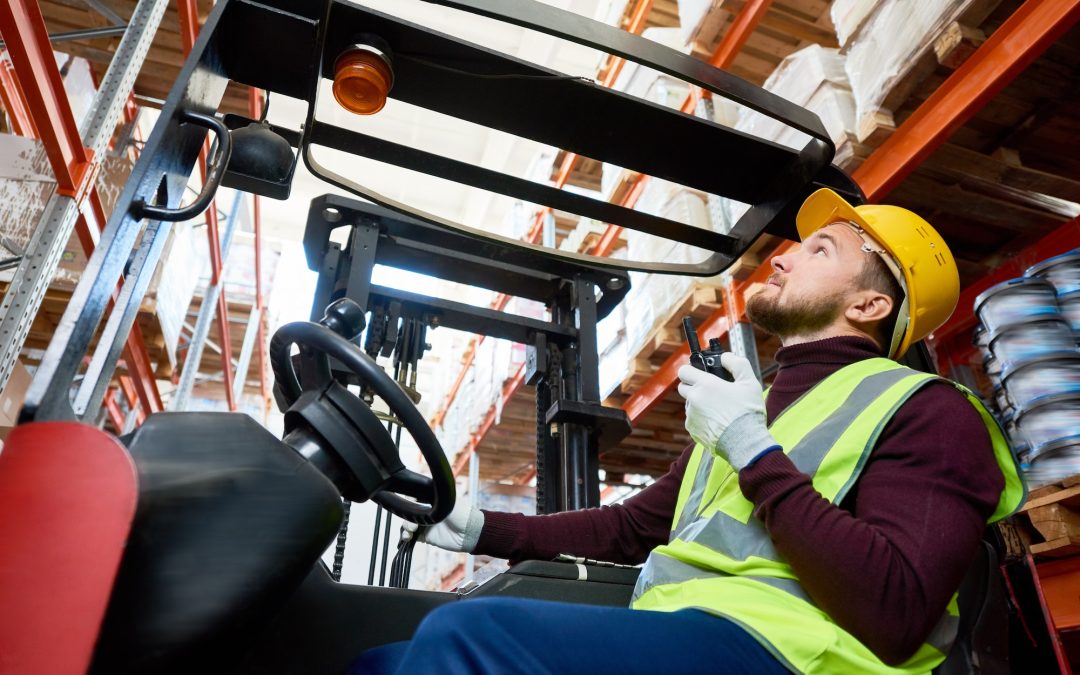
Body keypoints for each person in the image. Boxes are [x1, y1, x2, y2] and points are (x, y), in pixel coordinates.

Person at [353, 189, 1025, 674]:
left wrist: (751, 449)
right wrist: (479, 527)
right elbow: (629, 528)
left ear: (869, 304)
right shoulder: (752, 403)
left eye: (819, 248)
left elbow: (897, 613)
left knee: (472, 634)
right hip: (683, 630)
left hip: (795, 654)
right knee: (380, 661)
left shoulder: (930, 412)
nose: (783, 260)